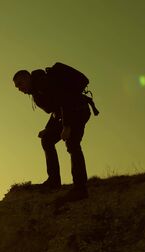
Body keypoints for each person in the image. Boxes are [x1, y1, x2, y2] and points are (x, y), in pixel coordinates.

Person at [13, 64, 97, 198]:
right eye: (17, 87)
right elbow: (56, 110)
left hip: (79, 110)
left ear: (28, 78)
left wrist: (67, 126)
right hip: (67, 114)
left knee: (72, 144)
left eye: (20, 84)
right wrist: (48, 129)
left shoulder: (44, 83)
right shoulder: (37, 92)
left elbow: (65, 100)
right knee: (47, 140)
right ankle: (54, 180)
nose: (19, 88)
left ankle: (80, 188)